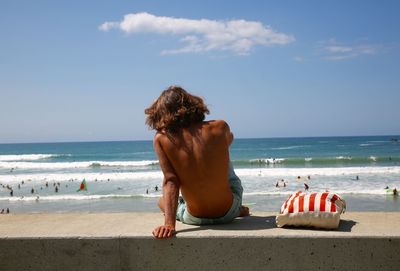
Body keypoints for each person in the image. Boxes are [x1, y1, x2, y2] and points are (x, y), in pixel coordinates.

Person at [145, 86, 249, 239]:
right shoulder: (220, 126)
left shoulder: (161, 138)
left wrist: (169, 224)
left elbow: (171, 182)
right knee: (221, 152)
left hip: (194, 218)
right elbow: (229, 140)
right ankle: (238, 208)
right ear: (193, 105)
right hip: (229, 212)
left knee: (161, 202)